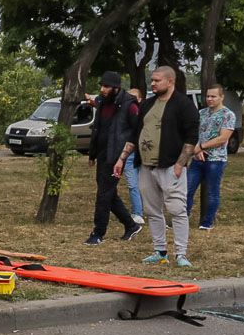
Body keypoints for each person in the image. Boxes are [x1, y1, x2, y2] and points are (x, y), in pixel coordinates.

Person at [114, 66, 199, 267]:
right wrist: (122, 158)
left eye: (157, 80)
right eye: (152, 80)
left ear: (170, 81)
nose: (152, 84)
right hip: (146, 166)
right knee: (152, 210)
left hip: (171, 166)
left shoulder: (183, 105)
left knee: (177, 209)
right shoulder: (148, 104)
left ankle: (181, 254)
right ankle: (160, 251)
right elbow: (135, 134)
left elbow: (191, 137)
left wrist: (180, 164)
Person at [84, 71, 142, 245]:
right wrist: (92, 154)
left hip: (117, 156)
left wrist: (123, 157)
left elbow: (136, 131)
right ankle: (130, 225)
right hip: (102, 154)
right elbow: (98, 129)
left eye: (106, 86)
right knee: (109, 193)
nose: (102, 89)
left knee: (103, 195)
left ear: (116, 88)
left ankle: (98, 233)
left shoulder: (129, 105)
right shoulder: (102, 102)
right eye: (101, 86)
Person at [186, 85, 236, 230]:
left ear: (221, 97)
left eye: (213, 96)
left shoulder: (228, 115)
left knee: (212, 192)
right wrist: (197, 150)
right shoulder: (201, 113)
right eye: (207, 96)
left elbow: (223, 138)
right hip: (198, 159)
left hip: (216, 159)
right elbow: (194, 134)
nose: (209, 99)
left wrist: (201, 146)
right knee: (187, 189)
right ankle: (182, 218)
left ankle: (207, 223)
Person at [124, 87, 145, 224]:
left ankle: (142, 211)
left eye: (133, 97)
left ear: (140, 99)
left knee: (145, 184)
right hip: (129, 154)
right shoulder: (122, 114)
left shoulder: (144, 114)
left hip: (143, 153)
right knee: (133, 184)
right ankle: (138, 212)